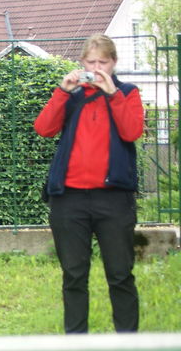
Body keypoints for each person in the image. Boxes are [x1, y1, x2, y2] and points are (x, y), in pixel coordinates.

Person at [34, 34, 144, 333]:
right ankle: (77, 345)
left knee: (120, 274)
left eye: (103, 62)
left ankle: (128, 345)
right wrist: (62, 91)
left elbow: (132, 132)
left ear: (114, 63)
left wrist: (112, 94)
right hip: (69, 199)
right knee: (74, 275)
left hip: (114, 199)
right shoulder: (71, 95)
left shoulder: (127, 93)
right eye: (91, 62)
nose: (96, 68)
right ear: (81, 62)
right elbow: (43, 128)